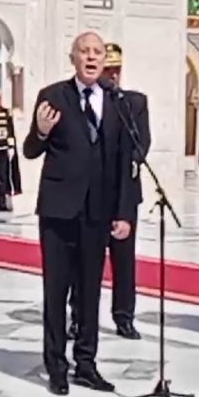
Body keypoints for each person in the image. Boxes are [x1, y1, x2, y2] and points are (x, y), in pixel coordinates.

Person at [22, 31, 136, 396]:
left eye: (97, 52)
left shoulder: (116, 101)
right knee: (56, 291)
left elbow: (125, 163)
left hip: (97, 212)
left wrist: (124, 212)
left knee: (90, 292)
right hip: (59, 211)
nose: (91, 57)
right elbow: (29, 150)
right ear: (73, 58)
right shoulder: (53, 96)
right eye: (84, 51)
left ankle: (86, 363)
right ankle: (56, 365)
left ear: (105, 59)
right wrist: (41, 132)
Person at [66, 42, 151, 340]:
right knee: (83, 260)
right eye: (108, 69)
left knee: (123, 260)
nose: (112, 75)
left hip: (123, 192)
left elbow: (142, 145)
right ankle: (79, 315)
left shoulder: (133, 102)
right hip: (90, 195)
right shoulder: (85, 101)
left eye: (116, 69)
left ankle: (124, 316)